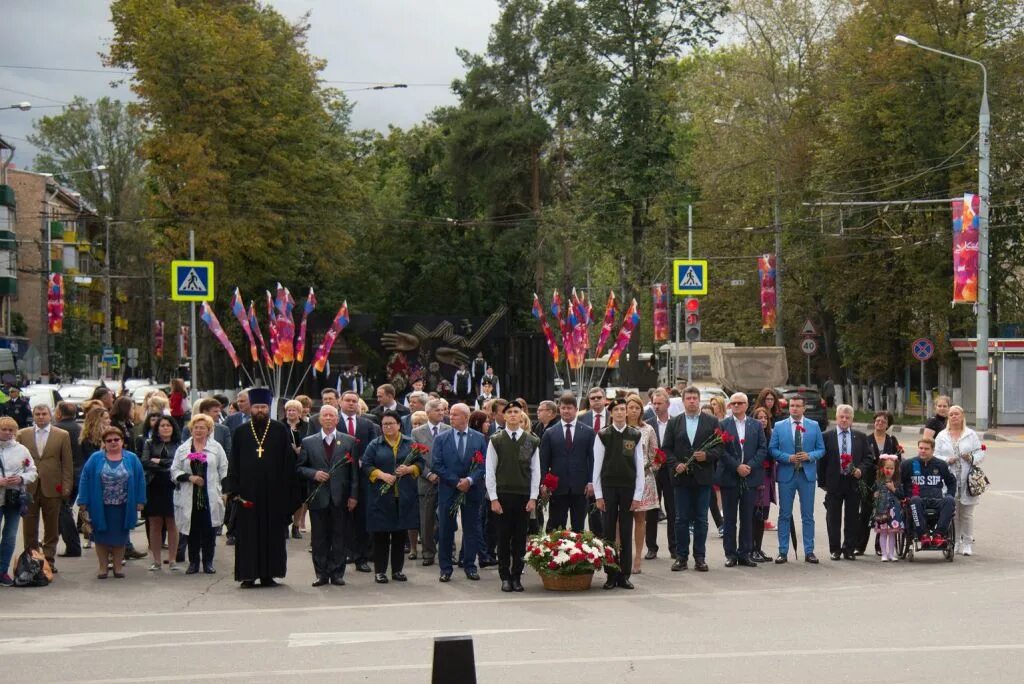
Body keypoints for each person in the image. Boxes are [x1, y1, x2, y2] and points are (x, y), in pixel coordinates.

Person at [224, 387, 299, 587]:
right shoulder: (240, 432)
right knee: (248, 535)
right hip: (247, 493)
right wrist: (233, 490)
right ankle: (248, 575)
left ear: (268, 408)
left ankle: (269, 574)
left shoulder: (279, 430)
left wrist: (286, 491)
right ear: (250, 408)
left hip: (273, 493)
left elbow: (288, 462)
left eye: (263, 407)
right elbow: (234, 461)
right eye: (256, 407)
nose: (260, 411)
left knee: (272, 534)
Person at [296, 405, 357, 587]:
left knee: (339, 536)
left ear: (337, 419)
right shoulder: (308, 442)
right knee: (319, 538)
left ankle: (337, 573)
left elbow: (354, 473)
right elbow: (299, 467)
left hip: (340, 497)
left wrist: (353, 496)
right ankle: (321, 574)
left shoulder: (349, 441)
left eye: (332, 415)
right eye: (325, 416)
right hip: (318, 497)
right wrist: (313, 474)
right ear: (319, 419)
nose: (329, 418)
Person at [664, 386, 722, 572]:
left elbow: (720, 447)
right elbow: (666, 449)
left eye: (694, 398)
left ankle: (700, 557)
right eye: (688, 398)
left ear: (699, 401)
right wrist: (675, 464)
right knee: (681, 519)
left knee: (701, 519)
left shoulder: (711, 421)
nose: (691, 401)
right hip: (681, 478)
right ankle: (681, 557)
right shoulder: (674, 423)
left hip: (703, 478)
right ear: (683, 401)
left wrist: (707, 456)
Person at [362, 410, 423, 584]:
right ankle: (380, 571)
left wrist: (409, 469)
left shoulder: (410, 443)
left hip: (403, 496)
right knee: (381, 536)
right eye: (384, 424)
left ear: (399, 425)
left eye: (391, 423)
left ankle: (397, 570)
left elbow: (420, 463)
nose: (387, 427)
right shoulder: (375, 444)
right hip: (380, 498)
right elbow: (366, 465)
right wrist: (380, 474)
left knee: (399, 535)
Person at [77, 426, 147, 579]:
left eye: (116, 439)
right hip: (100, 506)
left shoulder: (132, 458)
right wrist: (83, 500)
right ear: (104, 443)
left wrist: (140, 500)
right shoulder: (95, 458)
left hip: (124, 506)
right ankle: (102, 567)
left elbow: (140, 479)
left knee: (120, 537)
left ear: (122, 441)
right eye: (109, 440)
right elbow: (84, 478)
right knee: (100, 537)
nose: (113, 443)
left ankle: (117, 566)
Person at [485, 402, 539, 593]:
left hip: (523, 496)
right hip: (503, 495)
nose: (514, 415)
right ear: (504, 416)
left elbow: (535, 471)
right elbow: (490, 471)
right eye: (509, 412)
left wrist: (533, 497)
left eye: (517, 411)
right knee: (503, 537)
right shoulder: (496, 440)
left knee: (519, 538)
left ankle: (517, 575)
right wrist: (493, 498)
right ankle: (505, 577)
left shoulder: (530, 441)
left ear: (522, 415)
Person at [593, 398, 644, 590]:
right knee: (608, 532)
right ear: (611, 413)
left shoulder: (635, 434)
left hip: (628, 488)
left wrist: (638, 495)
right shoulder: (603, 435)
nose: (621, 412)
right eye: (617, 410)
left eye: (624, 409)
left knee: (625, 530)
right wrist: (598, 494)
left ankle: (624, 574)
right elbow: (597, 467)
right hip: (608, 488)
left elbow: (639, 466)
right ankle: (610, 574)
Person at [433, 403, 487, 583]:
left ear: (466, 417)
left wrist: (469, 480)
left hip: (472, 490)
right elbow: (437, 465)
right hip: (449, 490)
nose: (451, 417)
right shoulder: (442, 438)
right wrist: (456, 482)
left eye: (455, 415)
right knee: (446, 529)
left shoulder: (479, 438)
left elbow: (483, 464)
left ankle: (470, 565)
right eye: (451, 414)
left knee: (471, 528)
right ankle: (445, 568)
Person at [769, 395, 825, 564]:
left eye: (798, 406)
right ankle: (783, 551)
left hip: (806, 475)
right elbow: (772, 449)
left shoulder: (814, 426)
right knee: (784, 514)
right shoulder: (779, 426)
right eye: (792, 405)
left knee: (807, 515)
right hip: (787, 474)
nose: (794, 408)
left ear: (804, 408)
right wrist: (787, 458)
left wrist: (810, 456)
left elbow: (821, 449)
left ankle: (809, 551)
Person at [18, 405, 73, 573]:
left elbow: (67, 463)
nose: (41, 417)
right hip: (29, 487)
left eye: (44, 414)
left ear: (50, 416)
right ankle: (32, 559)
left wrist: (67, 486)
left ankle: (49, 560)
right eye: (37, 414)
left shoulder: (62, 435)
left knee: (51, 527)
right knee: (29, 526)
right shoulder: (23, 434)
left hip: (53, 486)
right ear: (33, 416)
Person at [171, 413, 228, 575]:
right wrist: (190, 478)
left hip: (210, 495)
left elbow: (224, 469)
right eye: (195, 427)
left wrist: (225, 491)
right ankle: (193, 563)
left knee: (209, 531)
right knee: (192, 531)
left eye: (202, 428)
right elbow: (174, 470)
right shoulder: (183, 449)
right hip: (190, 494)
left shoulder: (216, 448)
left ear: (209, 430)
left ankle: (208, 562)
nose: (198, 430)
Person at [717, 393, 767, 568]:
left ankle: (745, 553)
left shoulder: (755, 425)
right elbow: (720, 450)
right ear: (730, 406)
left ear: (746, 405)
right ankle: (730, 554)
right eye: (733, 403)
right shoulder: (723, 425)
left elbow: (762, 448)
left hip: (750, 477)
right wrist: (737, 466)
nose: (736, 406)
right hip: (730, 477)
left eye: (740, 403)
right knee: (730, 518)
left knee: (747, 517)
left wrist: (749, 466)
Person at [818, 404, 872, 561]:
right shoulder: (827, 436)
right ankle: (835, 549)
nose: (844, 420)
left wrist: (860, 470)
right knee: (833, 517)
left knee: (853, 517)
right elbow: (821, 461)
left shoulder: (860, 437)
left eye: (847, 417)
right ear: (836, 418)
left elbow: (868, 458)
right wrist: (822, 482)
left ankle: (849, 548)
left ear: (852, 420)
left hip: (853, 482)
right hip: (834, 482)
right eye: (841, 416)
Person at [539, 393, 596, 533]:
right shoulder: (550, 433)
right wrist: (544, 483)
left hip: (580, 487)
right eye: (563, 408)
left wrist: (591, 481)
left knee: (578, 527)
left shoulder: (588, 432)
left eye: (569, 408)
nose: (566, 411)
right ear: (559, 409)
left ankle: (578, 553)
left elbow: (593, 458)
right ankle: (558, 554)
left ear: (576, 409)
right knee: (557, 527)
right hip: (558, 487)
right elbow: (543, 461)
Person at [338, 390, 380, 573]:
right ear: (340, 402)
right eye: (347, 400)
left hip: (362, 478)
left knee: (361, 520)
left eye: (354, 401)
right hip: (339, 477)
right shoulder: (332, 421)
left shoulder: (367, 424)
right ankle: (343, 554)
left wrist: (364, 460)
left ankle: (361, 557)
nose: (351, 404)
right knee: (341, 519)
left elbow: (373, 447)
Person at [934, 405, 984, 555]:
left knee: (967, 514)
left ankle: (967, 543)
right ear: (948, 418)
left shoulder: (970, 434)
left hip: (967, 480)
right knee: (953, 512)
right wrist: (946, 459)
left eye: (957, 414)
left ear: (962, 416)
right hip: (949, 479)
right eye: (951, 415)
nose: (954, 417)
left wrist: (971, 458)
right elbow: (935, 455)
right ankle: (954, 542)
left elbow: (980, 453)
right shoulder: (942, 435)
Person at [410, 399, 450, 568]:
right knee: (426, 520)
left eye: (442, 410)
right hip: (426, 481)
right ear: (428, 413)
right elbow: (415, 456)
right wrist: (429, 474)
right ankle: (427, 553)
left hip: (446, 481)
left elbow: (452, 455)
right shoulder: (417, 432)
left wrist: (445, 475)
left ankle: (448, 551)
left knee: (447, 519)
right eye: (437, 411)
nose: (441, 413)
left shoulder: (449, 430)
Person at [0, 417, 36, 586]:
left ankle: (2, 570)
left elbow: (32, 471)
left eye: (11, 430)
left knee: (10, 536)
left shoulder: (21, 450)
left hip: (14, 499)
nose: (8, 433)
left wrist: (21, 478)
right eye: (4, 429)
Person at [142, 416, 181, 572]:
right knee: (155, 524)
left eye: (168, 425)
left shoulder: (180, 444)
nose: (165, 428)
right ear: (157, 429)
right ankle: (156, 561)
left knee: (172, 523)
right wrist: (166, 464)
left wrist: (159, 461)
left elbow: (179, 463)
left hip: (173, 485)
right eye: (162, 425)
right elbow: (145, 461)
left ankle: (172, 559)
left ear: (173, 428)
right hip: (154, 485)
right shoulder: (149, 443)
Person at [901, 438, 956, 547]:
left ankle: (939, 535)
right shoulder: (908, 464)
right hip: (917, 501)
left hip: (936, 500)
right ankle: (923, 535)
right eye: (921, 448)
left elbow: (951, 482)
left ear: (932, 450)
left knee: (949, 500)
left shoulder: (941, 465)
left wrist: (950, 494)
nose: (923, 451)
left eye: (926, 449)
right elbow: (900, 483)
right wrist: (904, 497)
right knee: (915, 499)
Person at [625, 394, 658, 575]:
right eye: (630, 407)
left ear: (641, 410)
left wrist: (648, 467)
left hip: (643, 480)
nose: (633, 410)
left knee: (640, 519)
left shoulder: (648, 429)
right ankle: (622, 556)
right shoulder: (619, 429)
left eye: (637, 407)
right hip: (622, 480)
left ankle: (638, 556)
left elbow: (656, 454)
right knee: (620, 521)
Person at [645, 389, 675, 561]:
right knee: (651, 512)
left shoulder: (676, 422)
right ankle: (651, 547)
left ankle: (674, 547)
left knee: (673, 510)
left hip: (671, 472)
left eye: (659, 403)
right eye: (654, 403)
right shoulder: (648, 424)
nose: (656, 406)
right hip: (653, 472)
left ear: (667, 404)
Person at [863, 411, 899, 556]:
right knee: (865, 513)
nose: (879, 423)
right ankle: (860, 545)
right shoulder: (866, 439)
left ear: (887, 425)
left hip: (887, 483)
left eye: (883, 421)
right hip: (869, 481)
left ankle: (880, 546)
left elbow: (897, 461)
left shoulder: (892, 441)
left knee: (884, 513)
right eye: (877, 420)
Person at [54, 401, 83, 558]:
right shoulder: (79, 429)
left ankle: (73, 546)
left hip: (64, 475)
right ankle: (53, 539)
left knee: (63, 510)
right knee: (63, 509)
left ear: (59, 413)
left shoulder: (57, 430)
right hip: (78, 473)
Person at [750, 407, 776, 562]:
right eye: (759, 417)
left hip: (767, 479)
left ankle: (758, 548)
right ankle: (752, 548)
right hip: (756, 479)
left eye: (765, 417)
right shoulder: (753, 435)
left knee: (763, 516)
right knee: (755, 516)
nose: (763, 420)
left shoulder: (770, 435)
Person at [283, 399, 308, 540]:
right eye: (288, 410)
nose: (291, 412)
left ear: (299, 412)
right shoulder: (280, 426)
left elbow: (311, 442)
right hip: (285, 466)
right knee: (285, 497)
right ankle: (285, 526)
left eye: (294, 410)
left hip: (302, 465)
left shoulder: (306, 426)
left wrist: (300, 450)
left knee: (300, 498)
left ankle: (296, 526)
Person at [872, 455, 903, 562]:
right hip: (882, 510)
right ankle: (884, 554)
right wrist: (875, 495)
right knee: (883, 532)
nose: (889, 470)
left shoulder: (897, 483)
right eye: (887, 468)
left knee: (892, 533)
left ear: (895, 469)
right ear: (882, 468)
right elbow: (872, 492)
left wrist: (893, 489)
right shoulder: (878, 482)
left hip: (893, 511)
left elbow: (901, 495)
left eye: (891, 468)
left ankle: (891, 554)